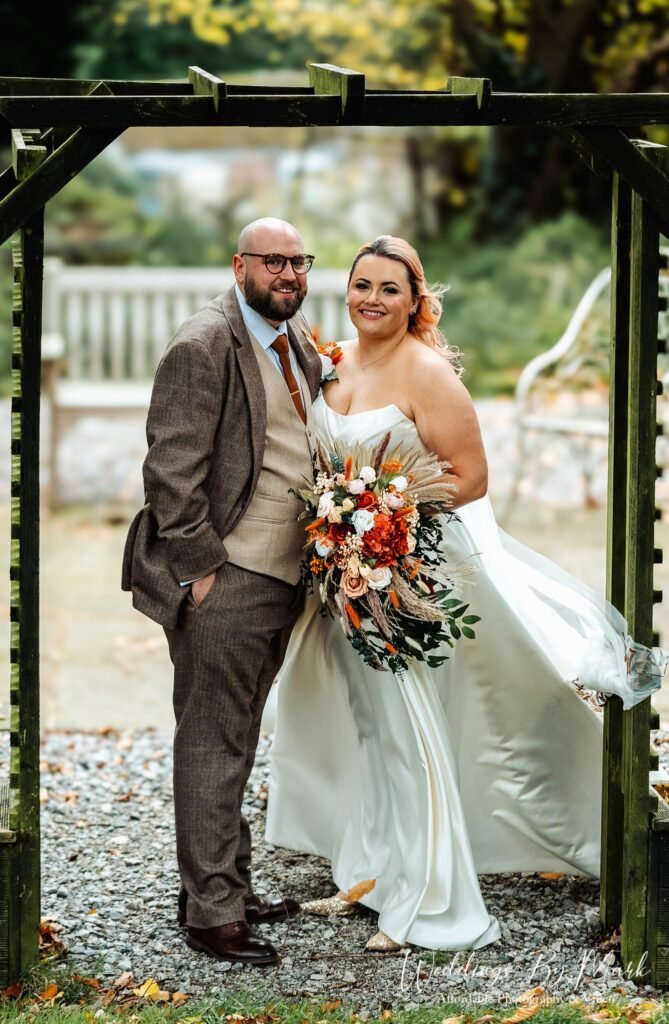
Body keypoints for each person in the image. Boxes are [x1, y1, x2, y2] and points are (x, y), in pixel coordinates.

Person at [265, 234, 667, 953]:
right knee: (364, 725)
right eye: (362, 284)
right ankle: (370, 873)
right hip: (342, 570)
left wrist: (384, 511)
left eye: (390, 288)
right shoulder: (336, 361)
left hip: (404, 569)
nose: (371, 299)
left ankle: (430, 897)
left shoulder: (426, 375)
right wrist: (338, 521)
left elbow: (469, 476)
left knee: (402, 724)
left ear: (416, 299)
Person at [121, 217, 322, 966]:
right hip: (228, 579)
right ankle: (211, 915)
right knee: (213, 741)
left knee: (236, 738)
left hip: (282, 575)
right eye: (274, 261)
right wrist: (202, 572)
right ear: (239, 264)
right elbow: (170, 470)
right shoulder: (203, 344)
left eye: (299, 262)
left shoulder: (292, 337)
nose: (289, 275)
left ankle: (223, 885)